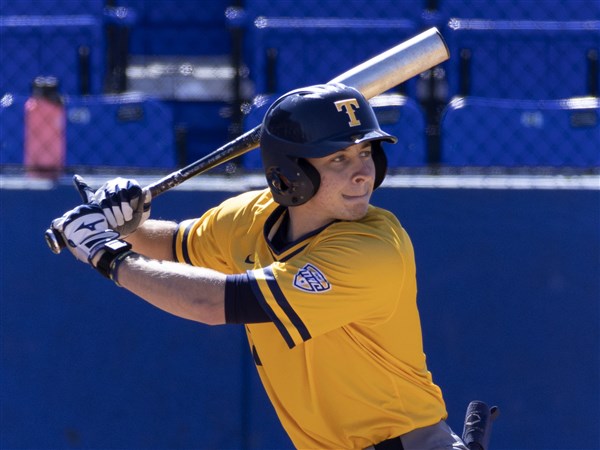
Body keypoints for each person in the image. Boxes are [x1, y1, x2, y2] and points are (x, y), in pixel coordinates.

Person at [51, 83, 468, 450]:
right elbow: (173, 245)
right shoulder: (252, 214)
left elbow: (213, 303)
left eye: (365, 152)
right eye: (338, 159)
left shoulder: (373, 249)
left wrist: (109, 255)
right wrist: (128, 224)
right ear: (290, 173)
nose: (363, 172)